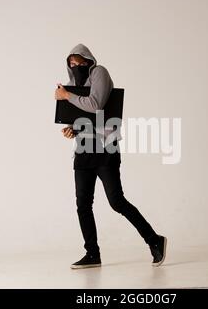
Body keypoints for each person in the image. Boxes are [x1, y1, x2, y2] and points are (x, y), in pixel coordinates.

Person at [54, 43, 167, 269]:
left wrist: (66, 95)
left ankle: (154, 240)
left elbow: (96, 105)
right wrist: (73, 128)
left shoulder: (100, 73)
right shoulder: (74, 86)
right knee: (83, 205)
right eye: (71, 64)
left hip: (106, 147)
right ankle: (92, 254)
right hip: (84, 149)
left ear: (88, 60)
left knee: (117, 201)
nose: (75, 66)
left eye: (78, 62)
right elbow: (84, 116)